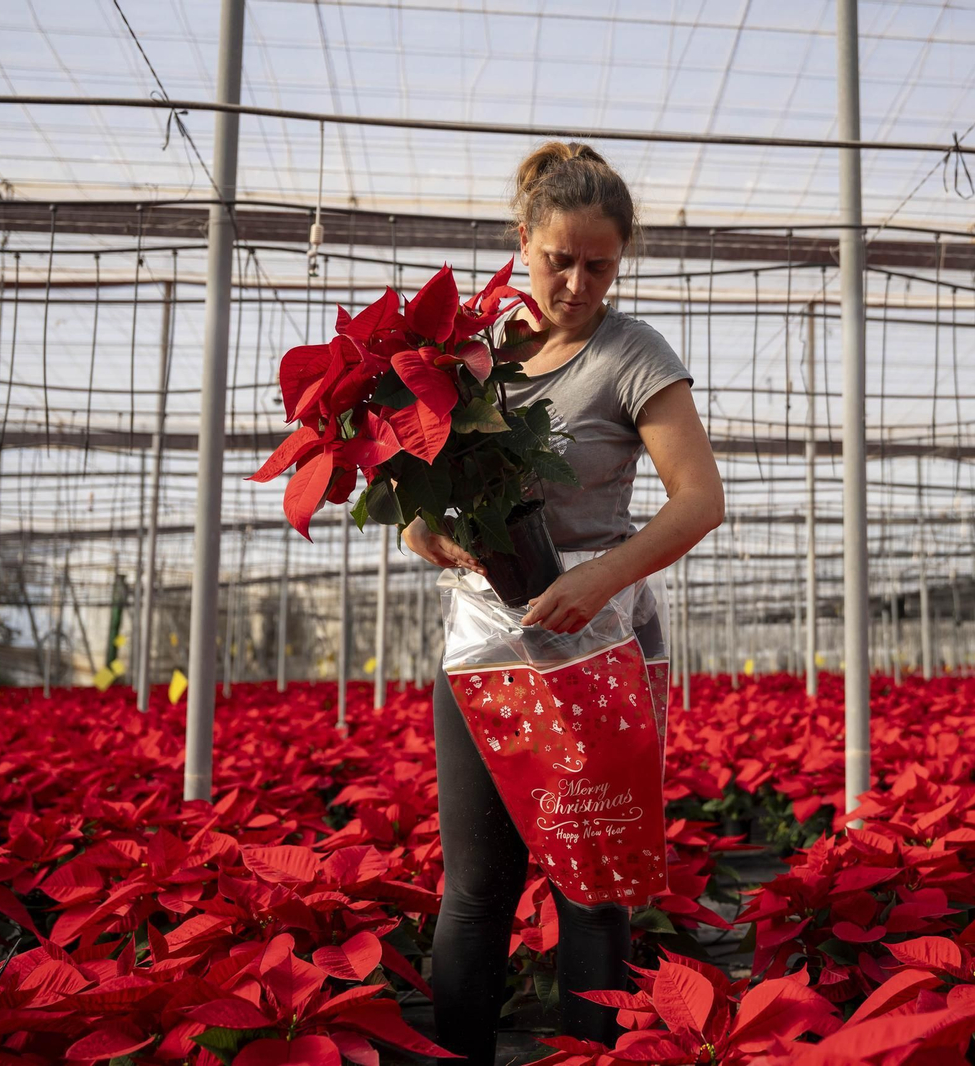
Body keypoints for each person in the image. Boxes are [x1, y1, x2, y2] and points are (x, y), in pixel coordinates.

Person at [401, 141, 726, 1063]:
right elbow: (412, 508)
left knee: (594, 885)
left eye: (600, 265)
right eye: (559, 260)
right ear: (522, 243)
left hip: (593, 640)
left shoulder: (633, 354)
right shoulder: (471, 355)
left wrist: (597, 577)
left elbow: (700, 499)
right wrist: (428, 535)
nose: (577, 283)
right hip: (485, 640)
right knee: (476, 888)